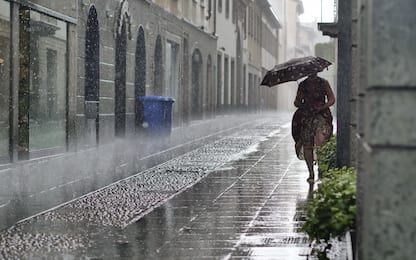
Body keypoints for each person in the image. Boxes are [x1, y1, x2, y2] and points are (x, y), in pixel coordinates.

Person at [292, 73, 335, 182]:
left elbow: (331, 99)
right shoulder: (302, 85)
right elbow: (297, 102)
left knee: (320, 141)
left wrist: (322, 107)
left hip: (321, 116)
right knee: (307, 144)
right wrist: (300, 102)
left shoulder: (324, 83)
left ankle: (321, 168)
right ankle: (311, 172)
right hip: (306, 117)